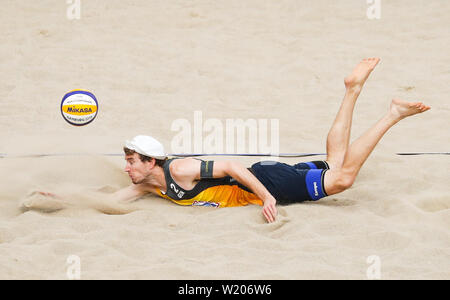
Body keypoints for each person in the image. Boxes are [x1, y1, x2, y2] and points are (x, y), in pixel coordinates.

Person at [38, 58, 430, 222]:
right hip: (268, 177)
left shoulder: (180, 170)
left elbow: (229, 165)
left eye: (131, 161)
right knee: (333, 163)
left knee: (343, 179)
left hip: (266, 182)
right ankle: (352, 90)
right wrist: (65, 198)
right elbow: (109, 201)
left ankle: (393, 114)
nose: (126, 168)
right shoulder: (150, 187)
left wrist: (267, 196)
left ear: (151, 161)